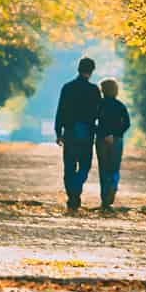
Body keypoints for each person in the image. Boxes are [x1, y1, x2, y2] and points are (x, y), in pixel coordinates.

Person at [54, 56, 101, 210]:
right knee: (85, 165)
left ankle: (72, 196)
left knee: (69, 165)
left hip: (70, 131)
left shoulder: (67, 87)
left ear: (78, 69)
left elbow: (60, 110)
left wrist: (58, 132)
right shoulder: (94, 90)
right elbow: (98, 113)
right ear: (92, 71)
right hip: (87, 132)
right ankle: (77, 187)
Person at [95, 77, 130, 210]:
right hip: (116, 140)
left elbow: (93, 121)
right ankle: (113, 187)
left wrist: (103, 133)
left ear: (102, 90)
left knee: (103, 168)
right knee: (114, 167)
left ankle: (105, 199)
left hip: (101, 140)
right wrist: (116, 134)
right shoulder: (120, 105)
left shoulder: (99, 105)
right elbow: (126, 123)